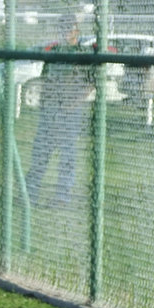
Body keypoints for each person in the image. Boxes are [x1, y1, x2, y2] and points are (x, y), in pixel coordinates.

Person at [25, 14, 94, 205]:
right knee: (41, 152)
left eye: (70, 29)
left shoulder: (82, 53)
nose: (66, 33)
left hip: (70, 111)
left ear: (76, 31)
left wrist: (73, 104)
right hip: (50, 110)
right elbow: (46, 80)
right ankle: (30, 193)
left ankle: (62, 196)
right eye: (63, 29)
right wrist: (45, 104)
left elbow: (91, 82)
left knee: (67, 154)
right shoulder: (54, 51)